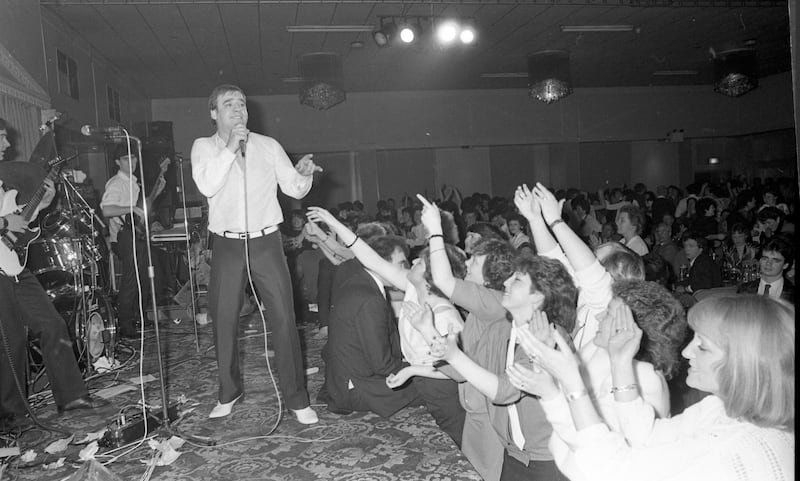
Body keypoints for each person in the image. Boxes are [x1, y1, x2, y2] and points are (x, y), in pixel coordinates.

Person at [512, 295, 794, 481]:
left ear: (744, 364)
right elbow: (645, 436)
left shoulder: (730, 451)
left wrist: (572, 386)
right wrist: (621, 363)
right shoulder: (721, 411)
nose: (686, 352)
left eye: (703, 347)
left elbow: (610, 472)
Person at [190, 84, 321, 423]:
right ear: (214, 113)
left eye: (242, 103)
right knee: (224, 320)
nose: (238, 109)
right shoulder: (204, 147)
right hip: (227, 244)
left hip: (266, 242)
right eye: (228, 104)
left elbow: (293, 188)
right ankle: (228, 392)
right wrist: (231, 147)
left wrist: (303, 176)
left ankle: (296, 398)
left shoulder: (268, 146)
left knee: (284, 318)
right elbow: (207, 185)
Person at [306, 206, 466, 446]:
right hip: (417, 376)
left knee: (459, 437)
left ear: (433, 277)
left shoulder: (445, 315)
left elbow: (456, 370)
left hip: (440, 389)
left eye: (420, 263)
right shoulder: (413, 288)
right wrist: (332, 223)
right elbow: (370, 257)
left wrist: (411, 371)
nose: (413, 261)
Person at [1, 117, 106, 418]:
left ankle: (71, 397)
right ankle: (12, 415)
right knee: (11, 340)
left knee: (52, 324)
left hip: (13, 264)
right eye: (1, 137)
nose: (7, 144)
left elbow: (21, 222)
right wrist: (5, 222)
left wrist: (43, 204)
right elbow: (8, 221)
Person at [100, 145, 167, 339]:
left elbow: (140, 211)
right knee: (131, 280)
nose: (132, 162)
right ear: (117, 162)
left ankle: (141, 318)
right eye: (126, 159)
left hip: (135, 234)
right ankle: (125, 325)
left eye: (134, 158)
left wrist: (157, 191)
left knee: (144, 277)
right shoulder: (116, 183)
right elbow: (107, 210)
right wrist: (131, 208)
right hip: (123, 237)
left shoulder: (133, 183)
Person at [737, 238, 794, 303]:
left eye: (775, 260)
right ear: (759, 260)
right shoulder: (744, 289)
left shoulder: (792, 293)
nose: (768, 263)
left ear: (785, 265)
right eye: (765, 258)